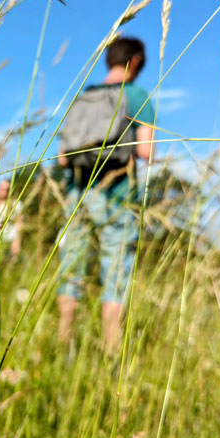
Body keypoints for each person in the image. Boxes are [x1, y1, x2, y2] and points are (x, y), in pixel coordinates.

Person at [56, 36, 155, 352]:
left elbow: (61, 157)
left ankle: (64, 346)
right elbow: (145, 151)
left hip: (76, 195)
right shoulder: (138, 95)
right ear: (136, 61)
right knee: (115, 277)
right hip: (117, 197)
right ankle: (111, 354)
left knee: (70, 271)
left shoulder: (83, 98)